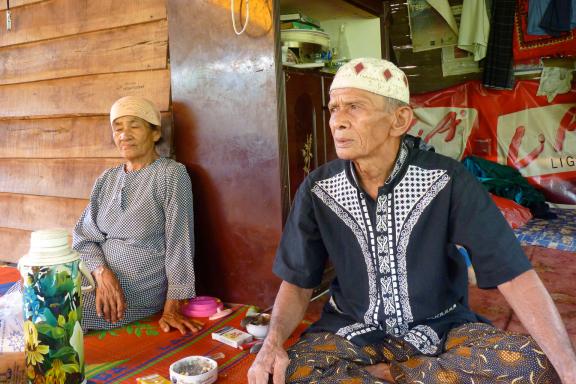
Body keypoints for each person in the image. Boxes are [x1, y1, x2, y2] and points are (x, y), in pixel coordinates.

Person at [248, 58, 576, 383]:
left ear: (399, 119)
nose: (338, 122)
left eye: (354, 107)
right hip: (350, 332)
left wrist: (569, 367)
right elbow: (297, 281)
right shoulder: (318, 188)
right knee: (288, 371)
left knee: (532, 366)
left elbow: (514, 274)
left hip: (442, 331)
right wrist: (272, 343)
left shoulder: (447, 180)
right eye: (334, 108)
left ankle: (390, 375)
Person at [73, 96, 200, 335]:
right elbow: (84, 237)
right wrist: (102, 273)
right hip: (96, 276)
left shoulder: (170, 174)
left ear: (154, 133)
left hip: (137, 287)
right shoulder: (107, 179)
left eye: (134, 125)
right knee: (35, 292)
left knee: (60, 311)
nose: (124, 134)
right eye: (118, 128)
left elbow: (179, 241)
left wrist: (174, 301)